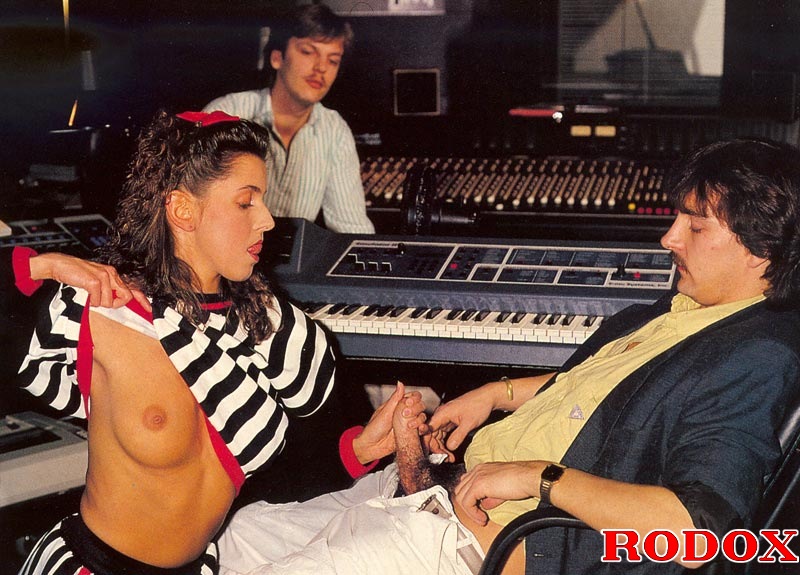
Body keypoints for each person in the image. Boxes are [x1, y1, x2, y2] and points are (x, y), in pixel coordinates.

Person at [212, 138, 800, 575]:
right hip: (432, 491)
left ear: (761, 250)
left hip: (473, 541)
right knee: (240, 536)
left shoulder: (757, 357)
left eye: (695, 226)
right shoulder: (681, 309)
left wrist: (543, 477)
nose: (669, 238)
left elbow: (700, 532)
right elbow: (607, 392)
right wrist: (496, 394)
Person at [6, 109, 424, 575]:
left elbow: (269, 481)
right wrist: (42, 266)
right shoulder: (100, 311)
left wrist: (359, 450)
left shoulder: (273, 327)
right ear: (182, 209)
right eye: (246, 203)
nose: (267, 220)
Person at [203, 3, 375, 235]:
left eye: (333, 60)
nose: (321, 68)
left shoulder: (335, 131)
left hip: (292, 259)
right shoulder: (227, 113)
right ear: (277, 58)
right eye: (308, 52)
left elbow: (352, 228)